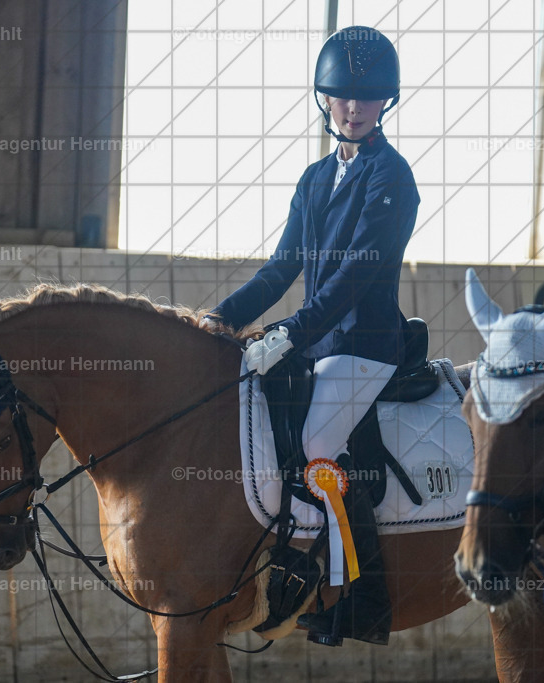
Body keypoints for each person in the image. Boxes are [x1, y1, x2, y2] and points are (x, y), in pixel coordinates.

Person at [207, 26, 419, 646]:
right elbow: (281, 269)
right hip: (318, 345)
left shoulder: (391, 177)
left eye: (367, 97)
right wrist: (219, 318)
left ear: (385, 102)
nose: (354, 108)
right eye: (343, 96)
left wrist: (290, 333)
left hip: (366, 346)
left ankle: (364, 599)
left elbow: (353, 277)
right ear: (325, 98)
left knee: (318, 442)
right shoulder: (313, 179)